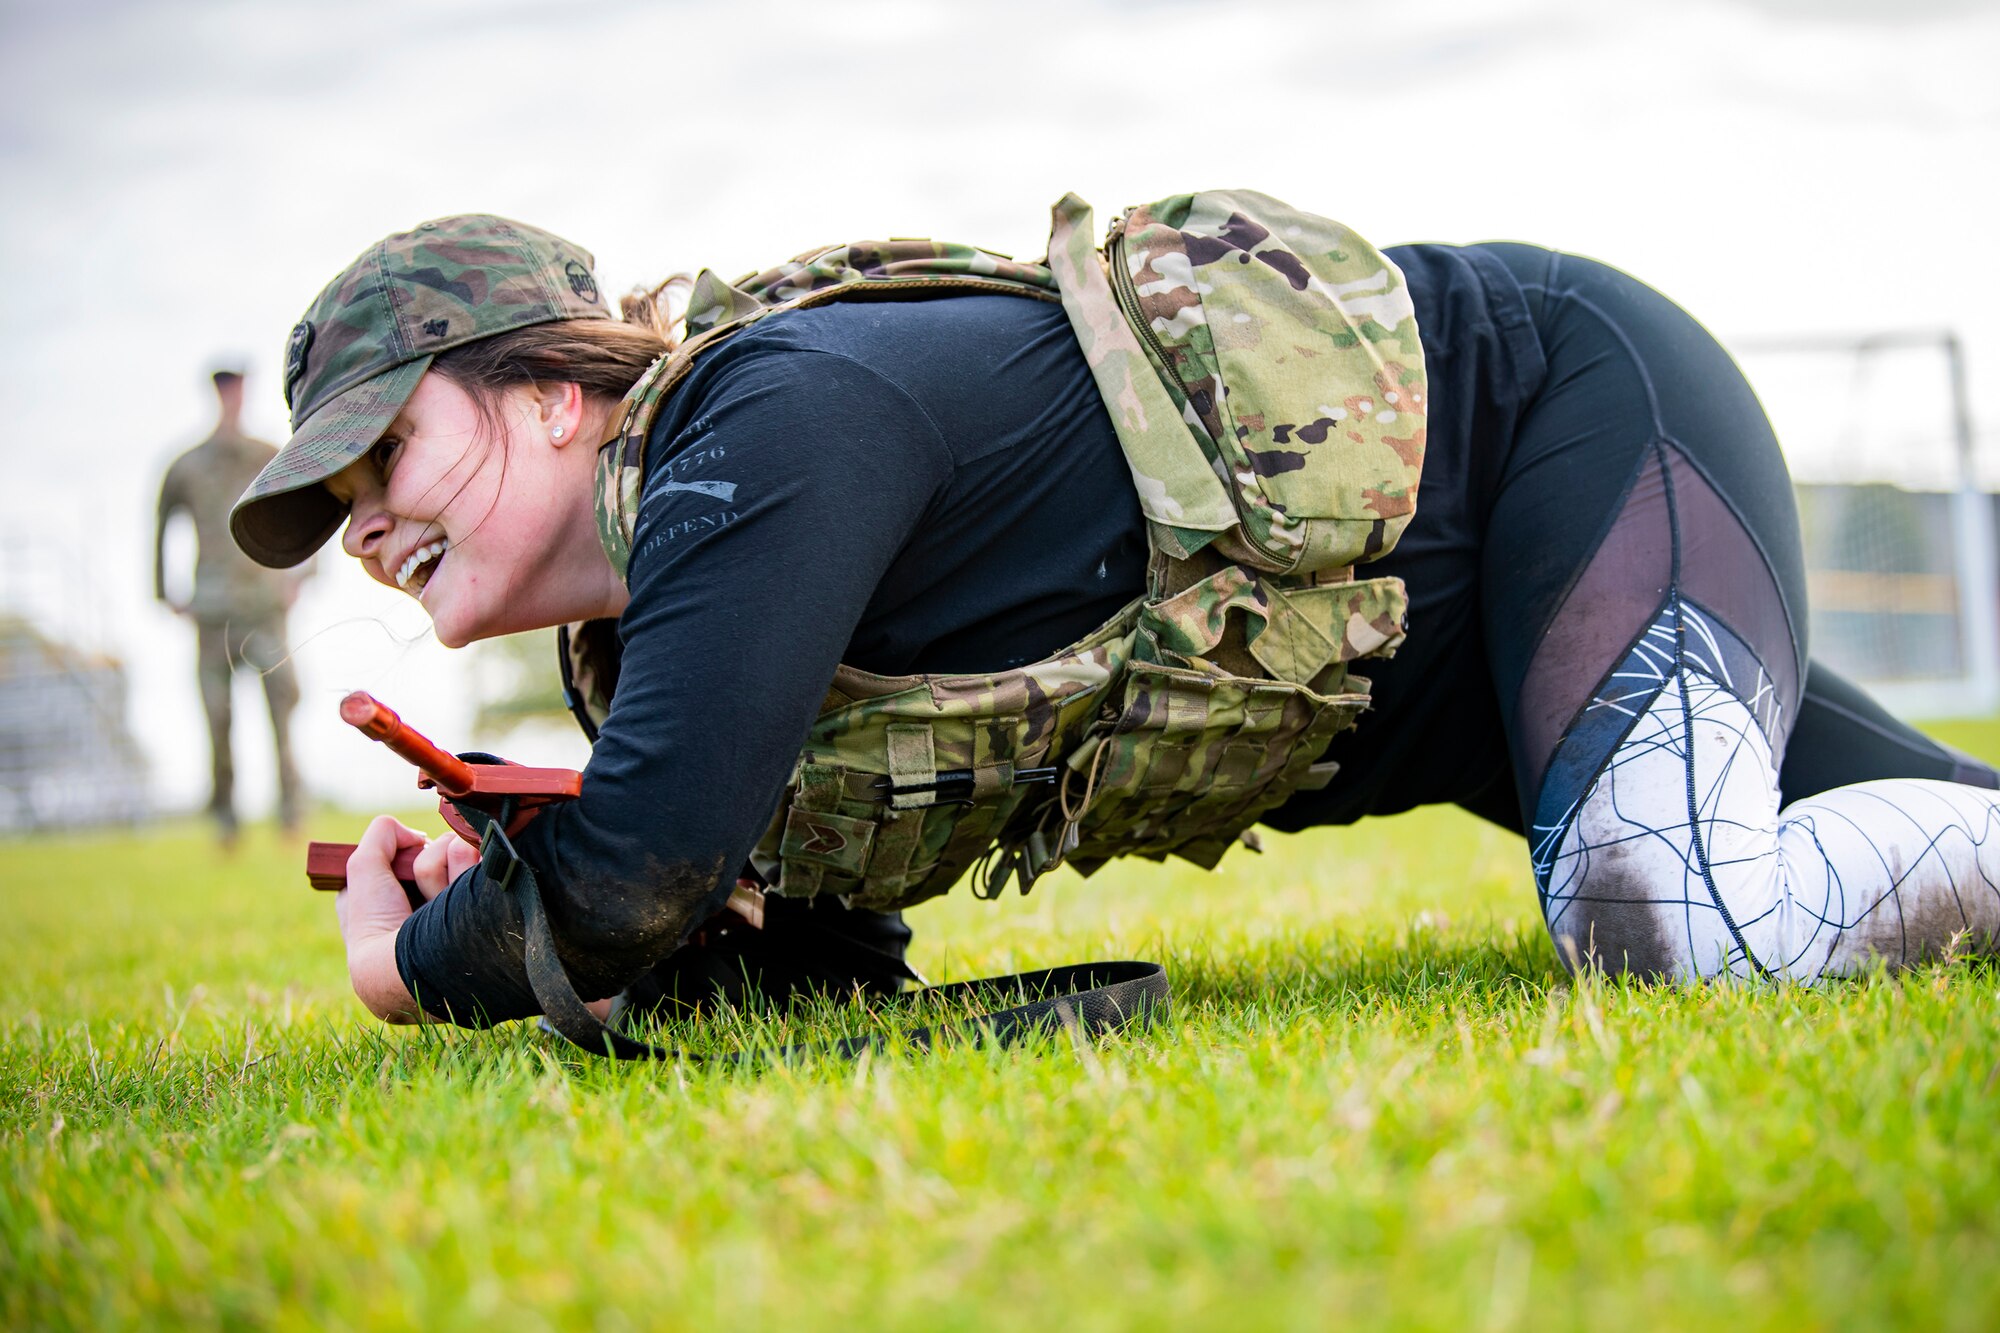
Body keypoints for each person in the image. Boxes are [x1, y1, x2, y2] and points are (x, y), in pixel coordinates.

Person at [229, 210, 2000, 1035]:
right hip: (1468, 683)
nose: (366, 518)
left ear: (550, 393)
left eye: (392, 441)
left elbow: (639, 872)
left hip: (1569, 433)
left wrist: (424, 963)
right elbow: (795, 961)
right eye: (332, 500)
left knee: (1679, 917)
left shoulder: (750, 429)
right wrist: (541, 900)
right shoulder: (648, 636)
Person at [156, 366, 307, 845]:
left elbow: (308, 504)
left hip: (263, 605)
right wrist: (165, 592)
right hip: (214, 612)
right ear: (215, 394)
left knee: (282, 706)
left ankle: (291, 814)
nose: (232, 397)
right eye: (224, 388)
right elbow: (160, 527)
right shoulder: (188, 466)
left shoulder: (267, 455)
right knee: (218, 717)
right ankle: (225, 821)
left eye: (237, 386)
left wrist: (303, 575)